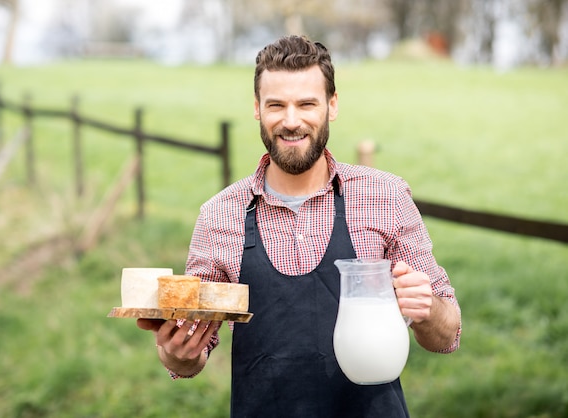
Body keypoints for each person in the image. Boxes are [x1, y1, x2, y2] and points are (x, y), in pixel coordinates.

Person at [137, 35, 461, 417]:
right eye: (276, 105)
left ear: (332, 105)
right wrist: (176, 354)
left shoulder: (385, 197)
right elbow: (191, 355)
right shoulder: (219, 215)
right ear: (257, 108)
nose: (292, 122)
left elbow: (447, 336)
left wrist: (426, 309)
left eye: (307, 104)